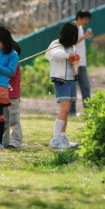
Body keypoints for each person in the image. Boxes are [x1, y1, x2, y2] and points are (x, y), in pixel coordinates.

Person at [46, 21, 80, 149]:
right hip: (61, 80)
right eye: (72, 35)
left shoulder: (72, 47)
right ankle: (56, 139)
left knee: (67, 111)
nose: (73, 38)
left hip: (71, 80)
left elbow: (70, 60)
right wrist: (68, 56)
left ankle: (63, 137)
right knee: (64, 110)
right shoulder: (56, 44)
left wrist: (75, 58)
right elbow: (55, 55)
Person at [69, 10, 93, 115]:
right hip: (75, 62)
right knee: (74, 87)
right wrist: (85, 36)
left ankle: (87, 110)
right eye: (85, 19)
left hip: (81, 62)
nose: (86, 22)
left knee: (85, 87)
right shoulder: (73, 26)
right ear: (79, 18)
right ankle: (72, 110)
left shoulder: (80, 28)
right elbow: (72, 42)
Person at [3, 40, 22, 149]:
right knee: (5, 120)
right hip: (3, 94)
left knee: (14, 120)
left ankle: (16, 143)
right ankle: (4, 141)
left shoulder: (14, 62)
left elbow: (11, 74)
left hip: (13, 95)